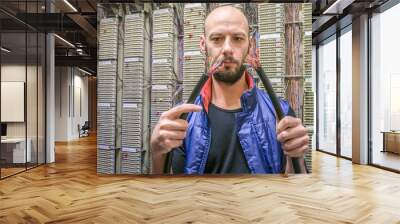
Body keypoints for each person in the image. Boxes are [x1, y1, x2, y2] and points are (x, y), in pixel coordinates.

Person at [150, 5, 309, 174]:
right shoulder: (182, 119)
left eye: (238, 38)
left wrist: (296, 157)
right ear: (203, 44)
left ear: (251, 44)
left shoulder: (281, 113)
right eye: (217, 38)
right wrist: (157, 154)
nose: (227, 49)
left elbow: (294, 190)